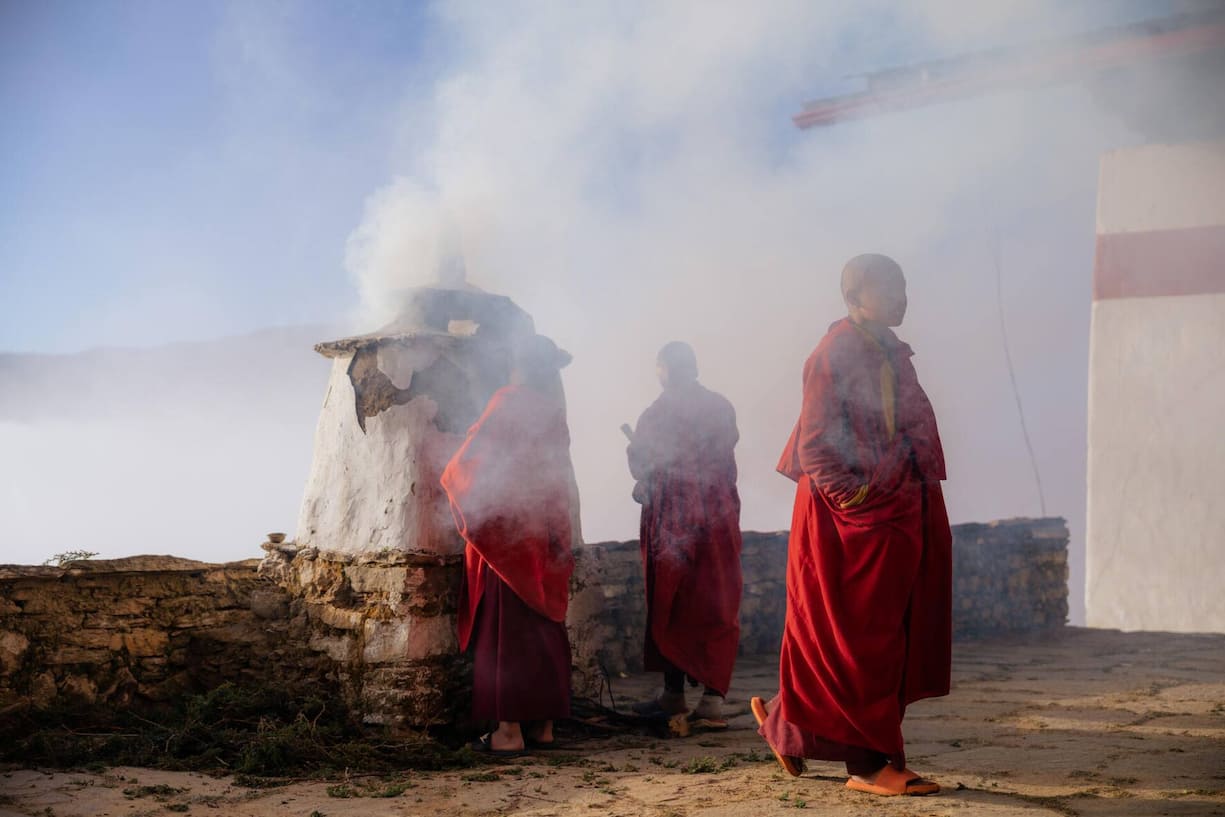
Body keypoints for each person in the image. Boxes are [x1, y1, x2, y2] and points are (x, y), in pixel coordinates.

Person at [752, 254, 952, 797]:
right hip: (850, 518)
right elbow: (816, 443)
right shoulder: (834, 351)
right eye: (890, 288)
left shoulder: (888, 349)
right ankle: (867, 766)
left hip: (894, 506)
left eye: (904, 287)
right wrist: (856, 500)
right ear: (856, 295)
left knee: (883, 630)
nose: (902, 297)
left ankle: (786, 721)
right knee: (859, 636)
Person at [441, 334, 577, 754]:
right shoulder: (551, 411)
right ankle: (544, 728)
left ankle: (508, 732)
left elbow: (462, 468)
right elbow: (558, 478)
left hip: (508, 536)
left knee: (506, 634)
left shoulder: (505, 401)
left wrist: (451, 484)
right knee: (543, 630)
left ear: (513, 364)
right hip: (542, 530)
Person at [626, 341, 742, 724]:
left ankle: (682, 695)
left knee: (673, 603)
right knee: (713, 601)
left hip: (673, 521)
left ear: (664, 369)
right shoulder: (719, 406)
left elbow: (643, 465)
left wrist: (646, 476)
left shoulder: (657, 414)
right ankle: (703, 700)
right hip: (717, 516)